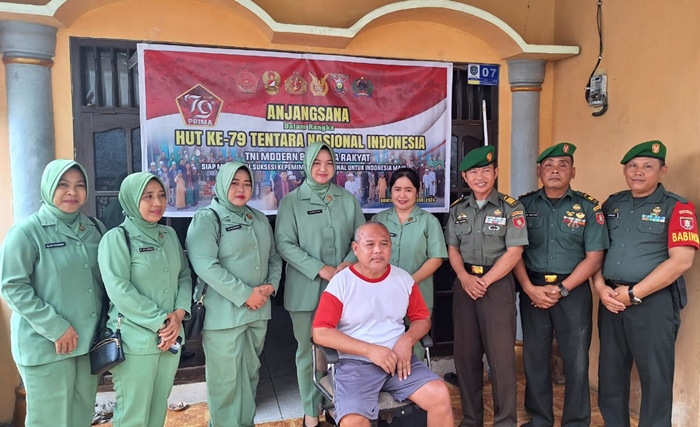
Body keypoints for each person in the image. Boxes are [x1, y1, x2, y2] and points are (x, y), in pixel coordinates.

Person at [592, 140, 698, 427]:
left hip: (652, 302)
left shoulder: (677, 207)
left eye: (647, 166)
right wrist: (600, 288)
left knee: (655, 378)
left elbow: (681, 261)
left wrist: (633, 293)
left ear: (662, 171)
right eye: (632, 166)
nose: (638, 172)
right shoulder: (612, 204)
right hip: (611, 299)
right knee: (611, 375)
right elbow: (596, 251)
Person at [312, 222, 454, 427]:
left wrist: (407, 340)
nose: (378, 250)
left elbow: (422, 319)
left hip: (399, 362)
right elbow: (321, 332)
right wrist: (370, 351)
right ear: (355, 248)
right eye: (370, 244)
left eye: (384, 244)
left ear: (390, 247)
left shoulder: (403, 279)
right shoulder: (341, 283)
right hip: (355, 365)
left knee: (439, 394)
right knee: (353, 421)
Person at [0, 159, 105, 427]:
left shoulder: (95, 229)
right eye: (63, 185)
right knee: (49, 421)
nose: (72, 192)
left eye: (79, 185)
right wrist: (56, 327)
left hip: (87, 344)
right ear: (48, 187)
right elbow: (12, 286)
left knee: (81, 417)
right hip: (46, 346)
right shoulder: (26, 233)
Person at [513, 143, 609, 427]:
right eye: (549, 165)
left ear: (573, 171)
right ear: (539, 171)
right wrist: (528, 288)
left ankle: (576, 421)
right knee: (535, 357)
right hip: (533, 289)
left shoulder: (588, 207)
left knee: (576, 360)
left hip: (573, 291)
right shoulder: (523, 206)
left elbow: (594, 257)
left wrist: (563, 288)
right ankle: (540, 418)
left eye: (562, 165)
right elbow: (514, 251)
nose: (555, 170)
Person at [275, 141, 365, 427]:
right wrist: (322, 269)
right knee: (308, 353)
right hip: (305, 292)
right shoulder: (291, 202)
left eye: (328, 163)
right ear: (306, 166)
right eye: (316, 163)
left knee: (341, 351)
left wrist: (346, 263)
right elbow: (284, 244)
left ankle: (337, 406)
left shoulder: (346, 199)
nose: (323, 169)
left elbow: (361, 237)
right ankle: (311, 412)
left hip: (344, 291)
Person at [186, 162, 282, 427]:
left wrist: (271, 285)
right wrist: (246, 294)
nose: (241, 189)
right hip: (224, 315)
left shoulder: (258, 218)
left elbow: (274, 257)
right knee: (225, 383)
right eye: (234, 183)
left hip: (257, 313)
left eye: (247, 183)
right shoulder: (207, 218)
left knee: (250, 376)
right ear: (222, 184)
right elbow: (205, 265)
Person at [98, 172, 192, 427]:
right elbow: (119, 289)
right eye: (147, 196)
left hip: (171, 338)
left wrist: (179, 314)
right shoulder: (117, 238)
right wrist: (162, 321)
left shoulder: (169, 235)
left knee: (158, 408)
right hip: (135, 342)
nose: (157, 202)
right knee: (134, 415)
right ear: (131, 200)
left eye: (161, 195)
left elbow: (184, 275)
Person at [444, 145, 528, 427]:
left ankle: (505, 421)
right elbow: (452, 248)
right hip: (465, 285)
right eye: (473, 172)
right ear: (465, 178)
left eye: (485, 171)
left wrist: (485, 281)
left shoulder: (511, 208)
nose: (479, 177)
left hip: (497, 285)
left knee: (501, 358)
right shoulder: (458, 210)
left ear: (496, 172)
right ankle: (471, 419)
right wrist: (464, 277)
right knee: (466, 357)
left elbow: (514, 252)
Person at [371, 167, 447, 358]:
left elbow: (436, 258)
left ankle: (416, 378)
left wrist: (407, 283)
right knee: (384, 345)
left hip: (418, 294)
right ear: (390, 191)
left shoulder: (429, 222)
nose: (402, 195)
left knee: (417, 346)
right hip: (383, 295)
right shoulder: (378, 221)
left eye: (408, 190)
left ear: (417, 191)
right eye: (397, 189)